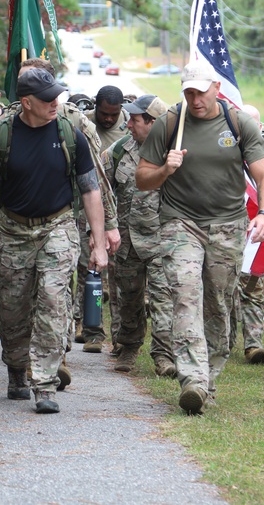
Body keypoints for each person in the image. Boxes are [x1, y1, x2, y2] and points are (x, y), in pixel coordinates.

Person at [0, 58, 121, 386]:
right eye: (48, 98)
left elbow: (92, 189)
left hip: (58, 226)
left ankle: (46, 380)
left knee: (53, 300)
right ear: (26, 102)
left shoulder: (71, 133)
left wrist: (101, 239)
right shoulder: (1, 135)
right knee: (13, 309)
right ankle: (16, 367)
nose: (55, 103)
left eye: (56, 96)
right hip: (12, 229)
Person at [136, 62, 264, 414]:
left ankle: (208, 380)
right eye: (189, 92)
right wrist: (165, 169)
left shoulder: (238, 123)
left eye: (201, 91)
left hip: (227, 226)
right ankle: (193, 380)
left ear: (216, 88)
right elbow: (142, 178)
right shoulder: (170, 123)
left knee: (217, 304)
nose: (195, 99)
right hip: (180, 223)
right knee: (185, 297)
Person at [101, 94, 175, 376]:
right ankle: (129, 347)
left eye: (134, 119)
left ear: (153, 123)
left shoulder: (175, 154)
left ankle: (164, 356)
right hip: (127, 240)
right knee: (129, 297)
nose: (128, 124)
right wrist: (105, 227)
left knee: (163, 299)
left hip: (163, 240)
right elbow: (101, 187)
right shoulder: (120, 150)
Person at [79, 84, 128, 353]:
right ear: (95, 106)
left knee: (119, 277)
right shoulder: (84, 124)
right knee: (88, 269)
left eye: (114, 114)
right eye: (104, 113)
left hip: (119, 208)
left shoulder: (129, 126)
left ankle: (119, 337)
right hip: (88, 206)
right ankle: (92, 331)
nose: (108, 119)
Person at [228, 103, 264, 365]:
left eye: (252, 124)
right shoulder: (224, 154)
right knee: (224, 291)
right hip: (227, 232)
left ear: (260, 127)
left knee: (254, 289)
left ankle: (254, 345)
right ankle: (226, 340)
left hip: (256, 235)